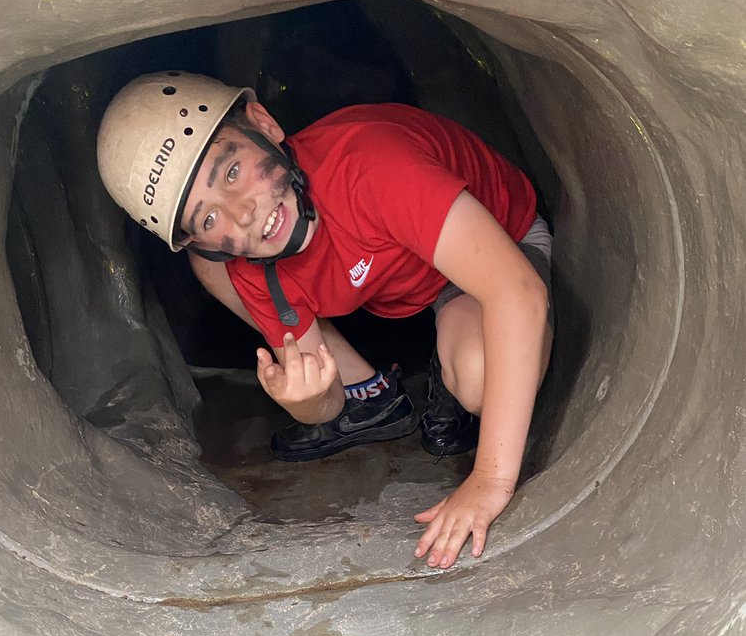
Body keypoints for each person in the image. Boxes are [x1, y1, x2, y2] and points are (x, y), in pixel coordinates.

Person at [97, 72, 553, 569]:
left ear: (264, 125)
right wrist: (309, 401)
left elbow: (516, 291)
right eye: (208, 220)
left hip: (499, 244)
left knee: (480, 381)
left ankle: (450, 364)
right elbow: (327, 399)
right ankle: (376, 395)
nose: (242, 214)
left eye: (231, 173)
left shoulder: (370, 165)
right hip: (416, 283)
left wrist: (490, 479)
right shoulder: (252, 266)